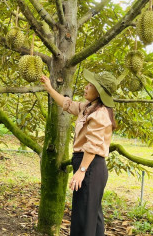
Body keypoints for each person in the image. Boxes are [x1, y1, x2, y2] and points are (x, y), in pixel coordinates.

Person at [40, 69, 116, 236]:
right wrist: (50, 88)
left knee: (85, 216)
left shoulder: (100, 114)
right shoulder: (88, 107)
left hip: (90, 165)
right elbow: (67, 104)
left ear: (99, 92)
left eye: (90, 85)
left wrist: (81, 171)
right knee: (91, 214)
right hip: (86, 163)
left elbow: (93, 145)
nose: (86, 87)